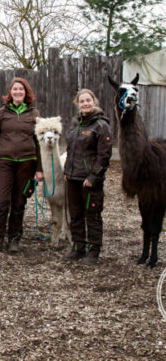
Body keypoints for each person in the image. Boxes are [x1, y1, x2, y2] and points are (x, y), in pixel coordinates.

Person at [0, 77, 43, 253]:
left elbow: (39, 141)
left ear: (26, 92)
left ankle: (14, 239)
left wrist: (40, 168)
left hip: (26, 164)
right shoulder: (1, 113)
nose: (18, 92)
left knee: (19, 203)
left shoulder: (35, 114)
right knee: (0, 202)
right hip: (4, 162)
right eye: (15, 89)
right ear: (10, 93)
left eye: (21, 89)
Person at [63, 89, 112, 265]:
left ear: (94, 101)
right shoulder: (75, 122)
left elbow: (104, 155)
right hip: (73, 177)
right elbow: (70, 150)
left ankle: (93, 250)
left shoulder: (101, 125)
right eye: (82, 101)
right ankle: (78, 246)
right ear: (78, 103)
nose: (85, 104)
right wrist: (68, 171)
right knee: (75, 214)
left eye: (88, 100)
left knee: (93, 215)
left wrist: (93, 176)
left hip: (90, 180)